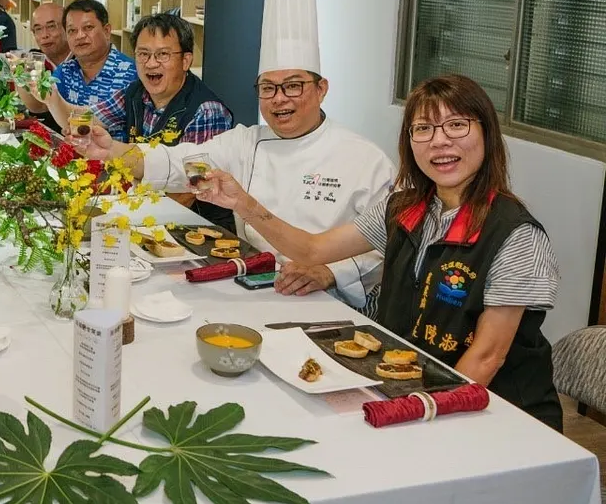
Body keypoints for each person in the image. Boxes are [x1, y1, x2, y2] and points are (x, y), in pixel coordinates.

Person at [195, 74, 562, 430]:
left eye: (456, 125)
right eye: (424, 129)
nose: (440, 142)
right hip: (410, 386)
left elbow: (486, 358)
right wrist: (242, 204)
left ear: (487, 134)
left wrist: (418, 417)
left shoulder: (516, 234)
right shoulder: (405, 207)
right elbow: (312, 248)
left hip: (494, 414)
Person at [84, 0, 393, 310]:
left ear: (321, 89)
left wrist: (330, 272)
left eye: (293, 86)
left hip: (326, 299)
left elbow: (387, 248)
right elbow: (176, 162)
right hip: (246, 279)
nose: (279, 99)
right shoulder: (245, 142)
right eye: (268, 88)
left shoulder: (366, 160)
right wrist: (112, 149)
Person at [36, 13, 234, 228]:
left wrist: (125, 220)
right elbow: (85, 122)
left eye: (163, 55)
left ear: (185, 60)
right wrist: (52, 98)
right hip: (144, 212)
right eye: (143, 54)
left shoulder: (206, 111)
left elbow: (192, 191)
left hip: (195, 229)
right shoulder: (136, 92)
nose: (151, 63)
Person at [19, 0, 136, 110]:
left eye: (88, 27)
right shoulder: (66, 70)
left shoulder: (130, 73)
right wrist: (19, 74)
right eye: (72, 31)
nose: (79, 36)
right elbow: (40, 105)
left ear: (106, 31)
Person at [28, 2, 71, 69]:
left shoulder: (84, 62)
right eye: (38, 29)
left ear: (67, 28)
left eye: (51, 26)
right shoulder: (32, 63)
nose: (44, 35)